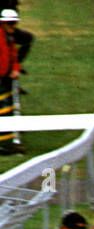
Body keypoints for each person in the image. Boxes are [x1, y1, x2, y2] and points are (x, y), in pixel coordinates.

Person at [0, 9, 22, 156]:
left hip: (6, 79)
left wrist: (15, 68)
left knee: (6, 110)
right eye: (10, 23)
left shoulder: (9, 38)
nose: (13, 26)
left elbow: (13, 55)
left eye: (14, 23)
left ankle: (7, 143)